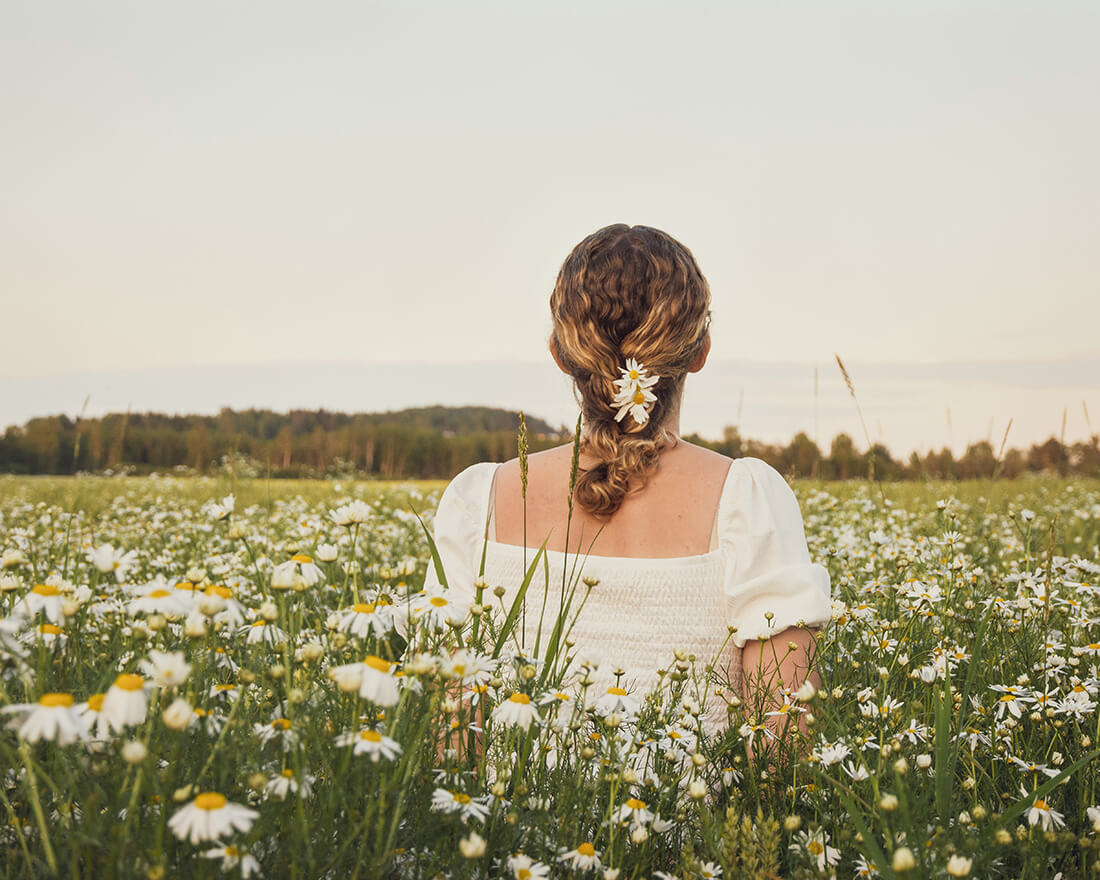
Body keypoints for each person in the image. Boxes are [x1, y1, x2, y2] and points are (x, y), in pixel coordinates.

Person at [423, 223, 831, 762]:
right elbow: (783, 744)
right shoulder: (747, 497)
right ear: (699, 350)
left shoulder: (477, 500)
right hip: (689, 846)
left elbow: (451, 746)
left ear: (559, 352)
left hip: (509, 841)